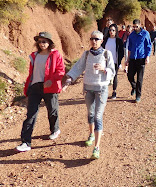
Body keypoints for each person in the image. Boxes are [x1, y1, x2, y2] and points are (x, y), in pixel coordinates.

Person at [63, 30, 115, 159]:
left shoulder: (107, 54)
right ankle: (91, 134)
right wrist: (69, 79)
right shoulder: (86, 54)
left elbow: (112, 71)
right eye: (92, 39)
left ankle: (96, 148)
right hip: (88, 88)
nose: (94, 41)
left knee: (98, 116)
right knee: (90, 113)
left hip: (101, 89)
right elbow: (78, 67)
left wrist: (104, 69)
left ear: (102, 41)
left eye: (97, 39)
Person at [16, 32, 65, 152]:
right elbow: (31, 73)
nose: (42, 43)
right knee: (31, 114)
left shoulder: (55, 54)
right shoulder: (34, 55)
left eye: (44, 41)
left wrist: (51, 80)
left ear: (49, 43)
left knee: (52, 111)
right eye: (40, 41)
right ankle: (26, 142)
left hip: (50, 87)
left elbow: (61, 71)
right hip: (35, 87)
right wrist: (28, 86)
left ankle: (55, 129)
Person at [125, 19, 152, 103]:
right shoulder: (132, 35)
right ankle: (134, 87)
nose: (135, 28)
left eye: (136, 26)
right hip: (133, 58)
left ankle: (138, 95)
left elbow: (148, 46)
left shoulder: (145, 34)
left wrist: (147, 57)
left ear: (140, 25)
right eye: (134, 27)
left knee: (140, 79)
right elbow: (129, 48)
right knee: (130, 75)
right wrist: (127, 59)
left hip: (141, 58)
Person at [102, 24, 124, 99]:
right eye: (110, 30)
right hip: (105, 62)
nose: (111, 32)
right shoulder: (105, 40)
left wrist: (119, 61)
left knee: (114, 76)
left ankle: (114, 92)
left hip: (115, 61)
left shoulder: (119, 41)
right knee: (104, 76)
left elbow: (121, 52)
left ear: (116, 31)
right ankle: (104, 92)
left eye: (113, 30)